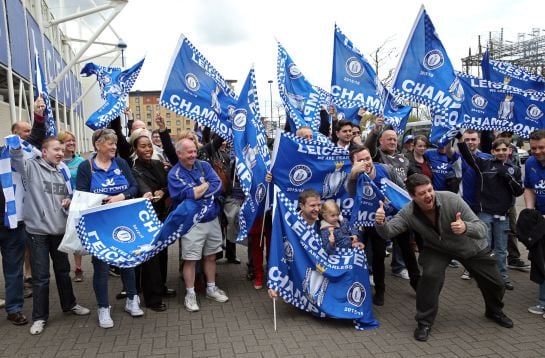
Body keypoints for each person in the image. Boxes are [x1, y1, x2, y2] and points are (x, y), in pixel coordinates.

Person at [374, 174, 513, 342]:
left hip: (470, 246)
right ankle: (424, 322)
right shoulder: (408, 212)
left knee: (496, 283)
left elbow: (482, 228)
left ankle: (494, 311)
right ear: (412, 196)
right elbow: (388, 232)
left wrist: (465, 227)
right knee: (429, 277)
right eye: (422, 193)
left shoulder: (452, 199)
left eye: (430, 190)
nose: (428, 195)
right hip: (438, 249)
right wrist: (380, 223)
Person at [10, 137, 90, 335]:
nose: (60, 153)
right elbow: (16, 159)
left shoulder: (62, 170)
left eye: (62, 150)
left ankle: (69, 304)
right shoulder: (31, 167)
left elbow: (69, 195)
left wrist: (68, 201)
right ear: (43, 152)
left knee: (63, 271)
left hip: (58, 231)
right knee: (41, 277)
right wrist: (14, 144)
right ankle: (39, 318)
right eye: (56, 149)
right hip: (37, 232)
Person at [76, 128, 143, 328]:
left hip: (122, 221)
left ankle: (132, 299)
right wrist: (99, 201)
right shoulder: (85, 167)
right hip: (99, 224)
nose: (114, 147)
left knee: (128, 262)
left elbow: (134, 187)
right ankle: (103, 308)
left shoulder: (121, 163)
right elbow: (81, 195)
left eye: (115, 143)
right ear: (98, 145)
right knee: (102, 267)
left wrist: (120, 197)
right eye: (110, 143)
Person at [346, 145, 419, 306]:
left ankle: (418, 285)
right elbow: (350, 192)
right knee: (378, 256)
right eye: (360, 160)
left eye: (368, 158)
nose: (366, 162)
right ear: (353, 163)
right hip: (375, 221)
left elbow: (401, 189)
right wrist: (353, 174)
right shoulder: (355, 177)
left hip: (397, 217)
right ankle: (380, 290)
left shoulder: (385, 169)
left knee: (407, 252)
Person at [0, 97, 47, 326]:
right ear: (13, 133)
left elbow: (36, 139)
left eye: (28, 132)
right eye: (23, 132)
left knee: (14, 269)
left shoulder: (22, 155)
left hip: (13, 223)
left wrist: (39, 116)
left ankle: (14, 308)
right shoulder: (2, 154)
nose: (26, 137)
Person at [168, 138, 229, 312]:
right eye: (189, 152)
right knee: (191, 260)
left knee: (211, 256)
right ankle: (190, 294)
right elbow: (188, 195)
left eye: (194, 151)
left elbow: (218, 186)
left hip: (212, 218)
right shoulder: (175, 174)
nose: (193, 155)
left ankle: (211, 288)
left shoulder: (204, 166)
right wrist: (205, 187)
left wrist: (201, 190)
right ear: (179, 153)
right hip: (191, 223)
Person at [458, 137, 524, 290]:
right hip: (485, 213)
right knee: (484, 247)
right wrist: (461, 140)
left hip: (503, 215)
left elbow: (519, 191)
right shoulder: (484, 163)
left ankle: (502, 277)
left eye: (504, 149)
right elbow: (468, 156)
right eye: (498, 150)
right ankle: (485, 276)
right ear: (492, 152)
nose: (501, 152)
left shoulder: (514, 168)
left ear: (509, 151)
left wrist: (509, 178)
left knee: (501, 250)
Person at [364, 117, 420, 284]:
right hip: (381, 207)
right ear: (381, 141)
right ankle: (372, 272)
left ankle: (399, 267)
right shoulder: (377, 156)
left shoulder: (403, 158)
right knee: (378, 244)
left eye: (395, 139)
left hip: (400, 206)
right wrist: (375, 131)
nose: (393, 142)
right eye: (389, 139)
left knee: (404, 241)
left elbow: (412, 174)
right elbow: (369, 147)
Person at [130, 131, 175, 312]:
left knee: (162, 254)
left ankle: (161, 287)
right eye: (143, 146)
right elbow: (140, 187)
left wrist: (163, 191)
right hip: (145, 218)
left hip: (162, 214)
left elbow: (169, 184)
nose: (147, 149)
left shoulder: (158, 164)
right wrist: (147, 193)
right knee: (150, 258)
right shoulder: (133, 168)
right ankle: (152, 298)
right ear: (135, 149)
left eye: (149, 146)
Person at [268, 189, 321, 300]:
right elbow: (278, 253)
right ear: (301, 206)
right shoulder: (288, 225)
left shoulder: (324, 222)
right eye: (312, 206)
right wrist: (274, 284)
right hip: (295, 270)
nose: (317, 209)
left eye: (319, 205)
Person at [457, 129, 494, 280]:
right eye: (467, 140)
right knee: (467, 238)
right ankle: (469, 268)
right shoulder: (458, 156)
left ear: (478, 141)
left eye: (473, 139)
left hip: (482, 204)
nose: (470, 142)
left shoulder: (487, 157)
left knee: (484, 237)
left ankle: (484, 267)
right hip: (465, 203)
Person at [496, 131, 530, 272]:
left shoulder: (513, 151)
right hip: (493, 201)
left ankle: (513, 258)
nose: (505, 138)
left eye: (508, 136)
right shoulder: (492, 149)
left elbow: (517, 175)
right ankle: (493, 261)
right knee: (492, 231)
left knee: (512, 228)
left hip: (510, 200)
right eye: (502, 135)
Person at [522, 129, 545, 316]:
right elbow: (529, 187)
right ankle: (543, 302)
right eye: (534, 148)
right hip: (540, 220)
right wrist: (530, 211)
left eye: (542, 147)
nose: (537, 152)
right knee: (540, 260)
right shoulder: (530, 163)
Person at [57, 130, 86, 282]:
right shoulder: (56, 162)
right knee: (61, 234)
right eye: (67, 141)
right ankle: (62, 267)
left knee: (76, 234)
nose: (71, 143)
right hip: (58, 202)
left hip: (76, 202)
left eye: (73, 140)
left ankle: (78, 267)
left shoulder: (81, 161)